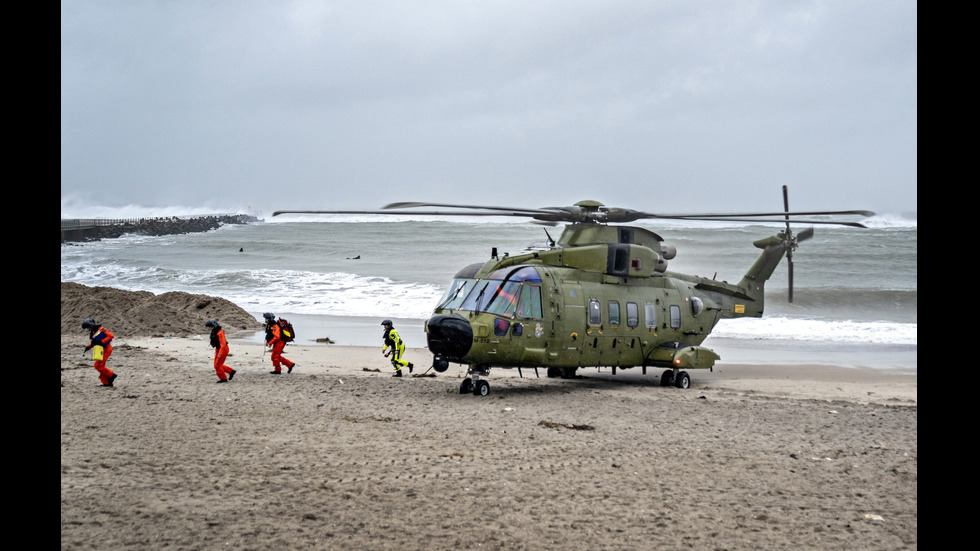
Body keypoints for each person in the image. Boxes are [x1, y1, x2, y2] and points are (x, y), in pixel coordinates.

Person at [82, 318, 117, 387]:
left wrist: (101, 342)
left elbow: (111, 336)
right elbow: (95, 342)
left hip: (106, 349)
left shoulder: (101, 329)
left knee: (98, 366)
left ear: (91, 325)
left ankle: (111, 375)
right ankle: (107, 382)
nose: (88, 329)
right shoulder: (93, 332)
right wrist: (89, 347)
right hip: (100, 349)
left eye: (88, 327)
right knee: (99, 366)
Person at [206, 319, 236, 383]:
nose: (209, 328)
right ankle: (231, 371)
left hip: (223, 349)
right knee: (216, 365)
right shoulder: (214, 331)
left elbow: (223, 344)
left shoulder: (220, 332)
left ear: (213, 325)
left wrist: (220, 353)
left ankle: (223, 379)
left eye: (210, 326)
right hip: (218, 349)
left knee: (218, 365)